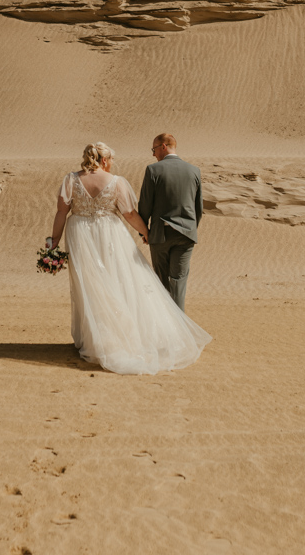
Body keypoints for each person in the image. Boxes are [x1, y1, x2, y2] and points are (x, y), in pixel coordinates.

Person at [49, 142, 210, 375]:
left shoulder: (70, 180)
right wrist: (145, 232)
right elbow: (130, 213)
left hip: (80, 234)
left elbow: (61, 212)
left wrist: (53, 241)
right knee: (116, 282)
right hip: (110, 234)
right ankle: (115, 338)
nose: (112, 163)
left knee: (89, 286)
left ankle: (95, 339)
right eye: (111, 159)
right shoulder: (116, 181)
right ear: (105, 160)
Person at [138, 133, 202, 311]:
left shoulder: (153, 170)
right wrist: (190, 229)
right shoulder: (194, 170)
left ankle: (166, 323)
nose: (153, 154)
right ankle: (179, 324)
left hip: (161, 234)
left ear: (163, 146)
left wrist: (144, 231)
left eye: (154, 149)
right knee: (179, 282)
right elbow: (198, 207)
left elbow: (145, 204)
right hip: (186, 235)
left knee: (161, 282)